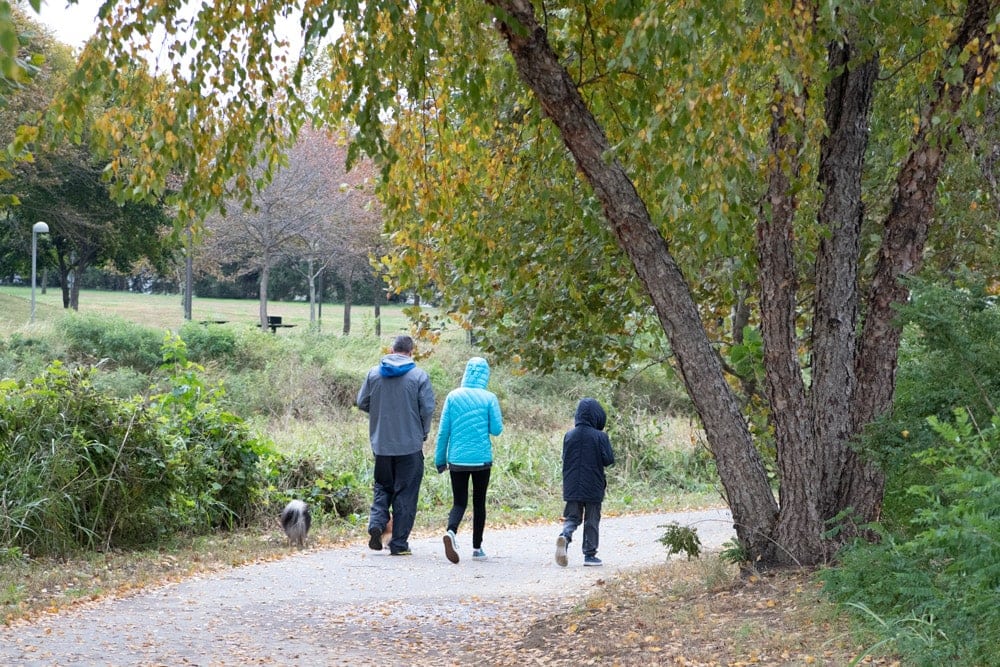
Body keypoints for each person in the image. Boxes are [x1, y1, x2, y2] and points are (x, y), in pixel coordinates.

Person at [357, 335, 436, 556]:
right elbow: (427, 409)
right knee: (406, 493)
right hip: (410, 445)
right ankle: (398, 544)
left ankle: (377, 522)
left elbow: (362, 401)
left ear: (392, 350)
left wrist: (380, 412)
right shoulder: (419, 376)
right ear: (411, 352)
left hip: (381, 443)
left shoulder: (374, 374)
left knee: (382, 486)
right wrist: (424, 432)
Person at [434, 356, 503, 563]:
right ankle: (477, 548)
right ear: (486, 375)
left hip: (456, 460)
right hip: (481, 460)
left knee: (459, 502)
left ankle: (451, 532)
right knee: (479, 503)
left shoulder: (453, 397)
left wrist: (440, 460)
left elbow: (443, 431)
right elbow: (496, 430)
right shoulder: (489, 398)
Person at [555, 397, 615, 567]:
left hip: (572, 485)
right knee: (591, 520)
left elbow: (565, 458)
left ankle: (565, 536)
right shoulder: (600, 436)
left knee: (572, 517)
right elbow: (608, 460)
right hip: (593, 486)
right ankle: (589, 555)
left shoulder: (569, 435)